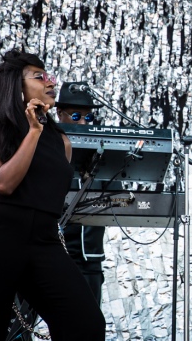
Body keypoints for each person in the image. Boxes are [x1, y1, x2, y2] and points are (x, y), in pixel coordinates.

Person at [0, 50, 105, 341]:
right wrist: (33, 131)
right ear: (15, 85)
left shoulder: (61, 141)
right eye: (39, 76)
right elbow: (3, 184)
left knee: (85, 324)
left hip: (44, 239)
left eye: (48, 75)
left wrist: (42, 130)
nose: (50, 81)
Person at [56, 82, 107, 305]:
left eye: (88, 117)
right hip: (47, 255)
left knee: (86, 328)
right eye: (76, 116)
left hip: (88, 261)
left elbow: (118, 199)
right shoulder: (43, 143)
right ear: (59, 114)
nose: (84, 123)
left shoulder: (103, 149)